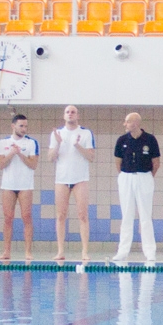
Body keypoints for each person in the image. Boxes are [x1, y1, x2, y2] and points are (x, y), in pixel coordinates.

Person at [112, 111, 161, 264]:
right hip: (126, 177)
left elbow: (156, 163)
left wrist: (145, 177)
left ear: (135, 123)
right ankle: (122, 251)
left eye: (127, 121)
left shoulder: (150, 139)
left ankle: (150, 251)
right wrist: (126, 176)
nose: (124, 124)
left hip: (144, 176)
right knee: (126, 215)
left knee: (145, 216)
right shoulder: (121, 140)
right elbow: (118, 162)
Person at [49, 105, 96, 262]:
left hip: (80, 179)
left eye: (73, 112)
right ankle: (60, 250)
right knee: (60, 215)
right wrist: (57, 143)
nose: (70, 114)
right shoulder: (57, 134)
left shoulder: (85, 133)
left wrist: (77, 145)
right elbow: (50, 158)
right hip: (61, 179)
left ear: (78, 115)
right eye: (68, 112)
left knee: (83, 215)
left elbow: (91, 156)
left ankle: (84, 251)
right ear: (64, 116)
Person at [0, 113, 39, 262]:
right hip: (8, 185)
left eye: (26, 126)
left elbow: (33, 165)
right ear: (13, 126)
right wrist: (11, 153)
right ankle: (6, 251)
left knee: (26, 217)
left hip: (25, 185)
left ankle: (28, 251)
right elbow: (1, 165)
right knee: (8, 218)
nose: (24, 129)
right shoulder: (3, 142)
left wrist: (20, 154)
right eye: (21, 126)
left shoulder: (31, 143)